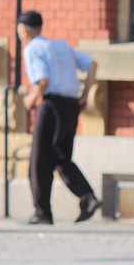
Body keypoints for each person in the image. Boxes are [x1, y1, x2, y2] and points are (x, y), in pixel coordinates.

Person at [19, 11, 101, 225]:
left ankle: (42, 212)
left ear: (24, 30)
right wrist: (85, 93)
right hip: (71, 106)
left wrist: (29, 100)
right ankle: (87, 197)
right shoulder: (62, 46)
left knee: (39, 161)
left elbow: (43, 80)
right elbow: (92, 65)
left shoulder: (32, 48)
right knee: (61, 157)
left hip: (51, 106)